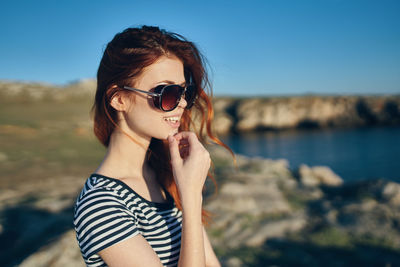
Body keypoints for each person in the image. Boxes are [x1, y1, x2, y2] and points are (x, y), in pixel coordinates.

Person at [73, 25, 234, 267]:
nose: (181, 104)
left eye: (184, 92)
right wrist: (191, 198)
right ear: (119, 98)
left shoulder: (164, 172)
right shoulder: (100, 204)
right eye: (167, 93)